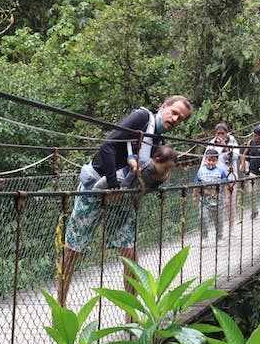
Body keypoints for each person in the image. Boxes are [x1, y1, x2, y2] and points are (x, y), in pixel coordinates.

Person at [57, 95, 192, 306]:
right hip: (96, 189)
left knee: (129, 253)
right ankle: (59, 306)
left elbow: (145, 180)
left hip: (121, 199)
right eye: (174, 112)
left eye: (181, 118)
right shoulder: (141, 118)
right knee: (73, 248)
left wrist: (159, 180)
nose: (175, 119)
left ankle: (131, 314)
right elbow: (108, 146)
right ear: (163, 107)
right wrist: (113, 186)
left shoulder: (159, 143)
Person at [202, 122, 240, 229]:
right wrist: (201, 175)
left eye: (222, 133)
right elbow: (205, 159)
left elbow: (235, 157)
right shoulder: (212, 143)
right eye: (218, 133)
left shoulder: (232, 142)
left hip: (230, 178)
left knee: (229, 203)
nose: (220, 136)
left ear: (226, 133)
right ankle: (221, 229)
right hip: (216, 179)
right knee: (217, 204)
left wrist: (224, 145)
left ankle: (232, 227)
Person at [194, 148, 229, 244]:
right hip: (204, 199)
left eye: (213, 160)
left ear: (217, 161)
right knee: (202, 217)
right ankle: (204, 238)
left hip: (218, 200)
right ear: (205, 159)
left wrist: (226, 198)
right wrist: (194, 196)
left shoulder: (220, 172)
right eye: (209, 160)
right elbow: (196, 184)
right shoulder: (201, 171)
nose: (211, 162)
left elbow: (226, 186)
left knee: (218, 219)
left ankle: (219, 238)